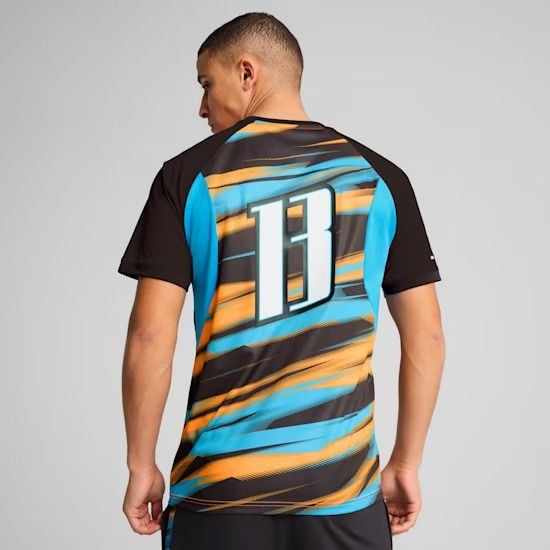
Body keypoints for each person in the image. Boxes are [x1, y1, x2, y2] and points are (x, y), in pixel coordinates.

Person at [117, 11, 445, 550]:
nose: (202, 108)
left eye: (206, 84)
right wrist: (406, 462)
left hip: (218, 492)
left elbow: (150, 335)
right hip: (343, 491)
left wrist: (140, 464)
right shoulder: (380, 178)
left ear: (247, 73)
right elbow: (427, 337)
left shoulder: (187, 177)